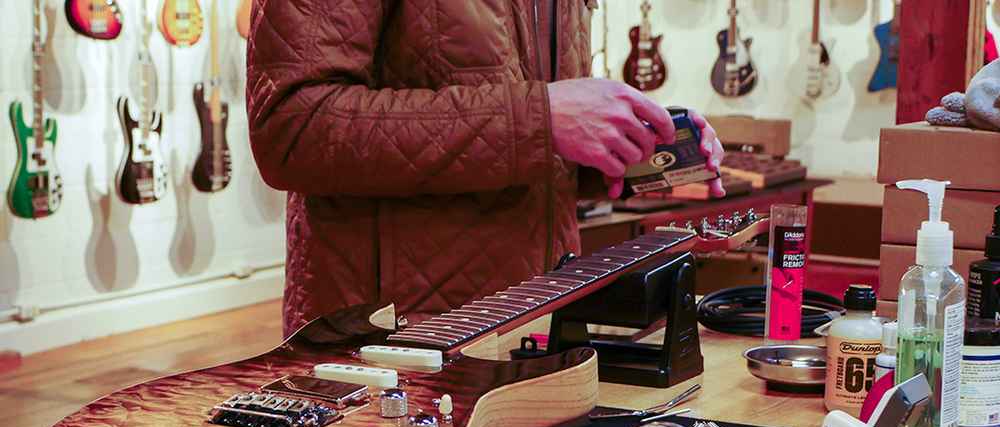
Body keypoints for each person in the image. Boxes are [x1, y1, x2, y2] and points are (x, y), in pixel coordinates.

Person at [247, 0, 725, 337]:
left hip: (534, 323)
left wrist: (633, 145)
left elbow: (528, 127)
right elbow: (293, 128)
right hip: (392, 345)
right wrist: (541, 118)